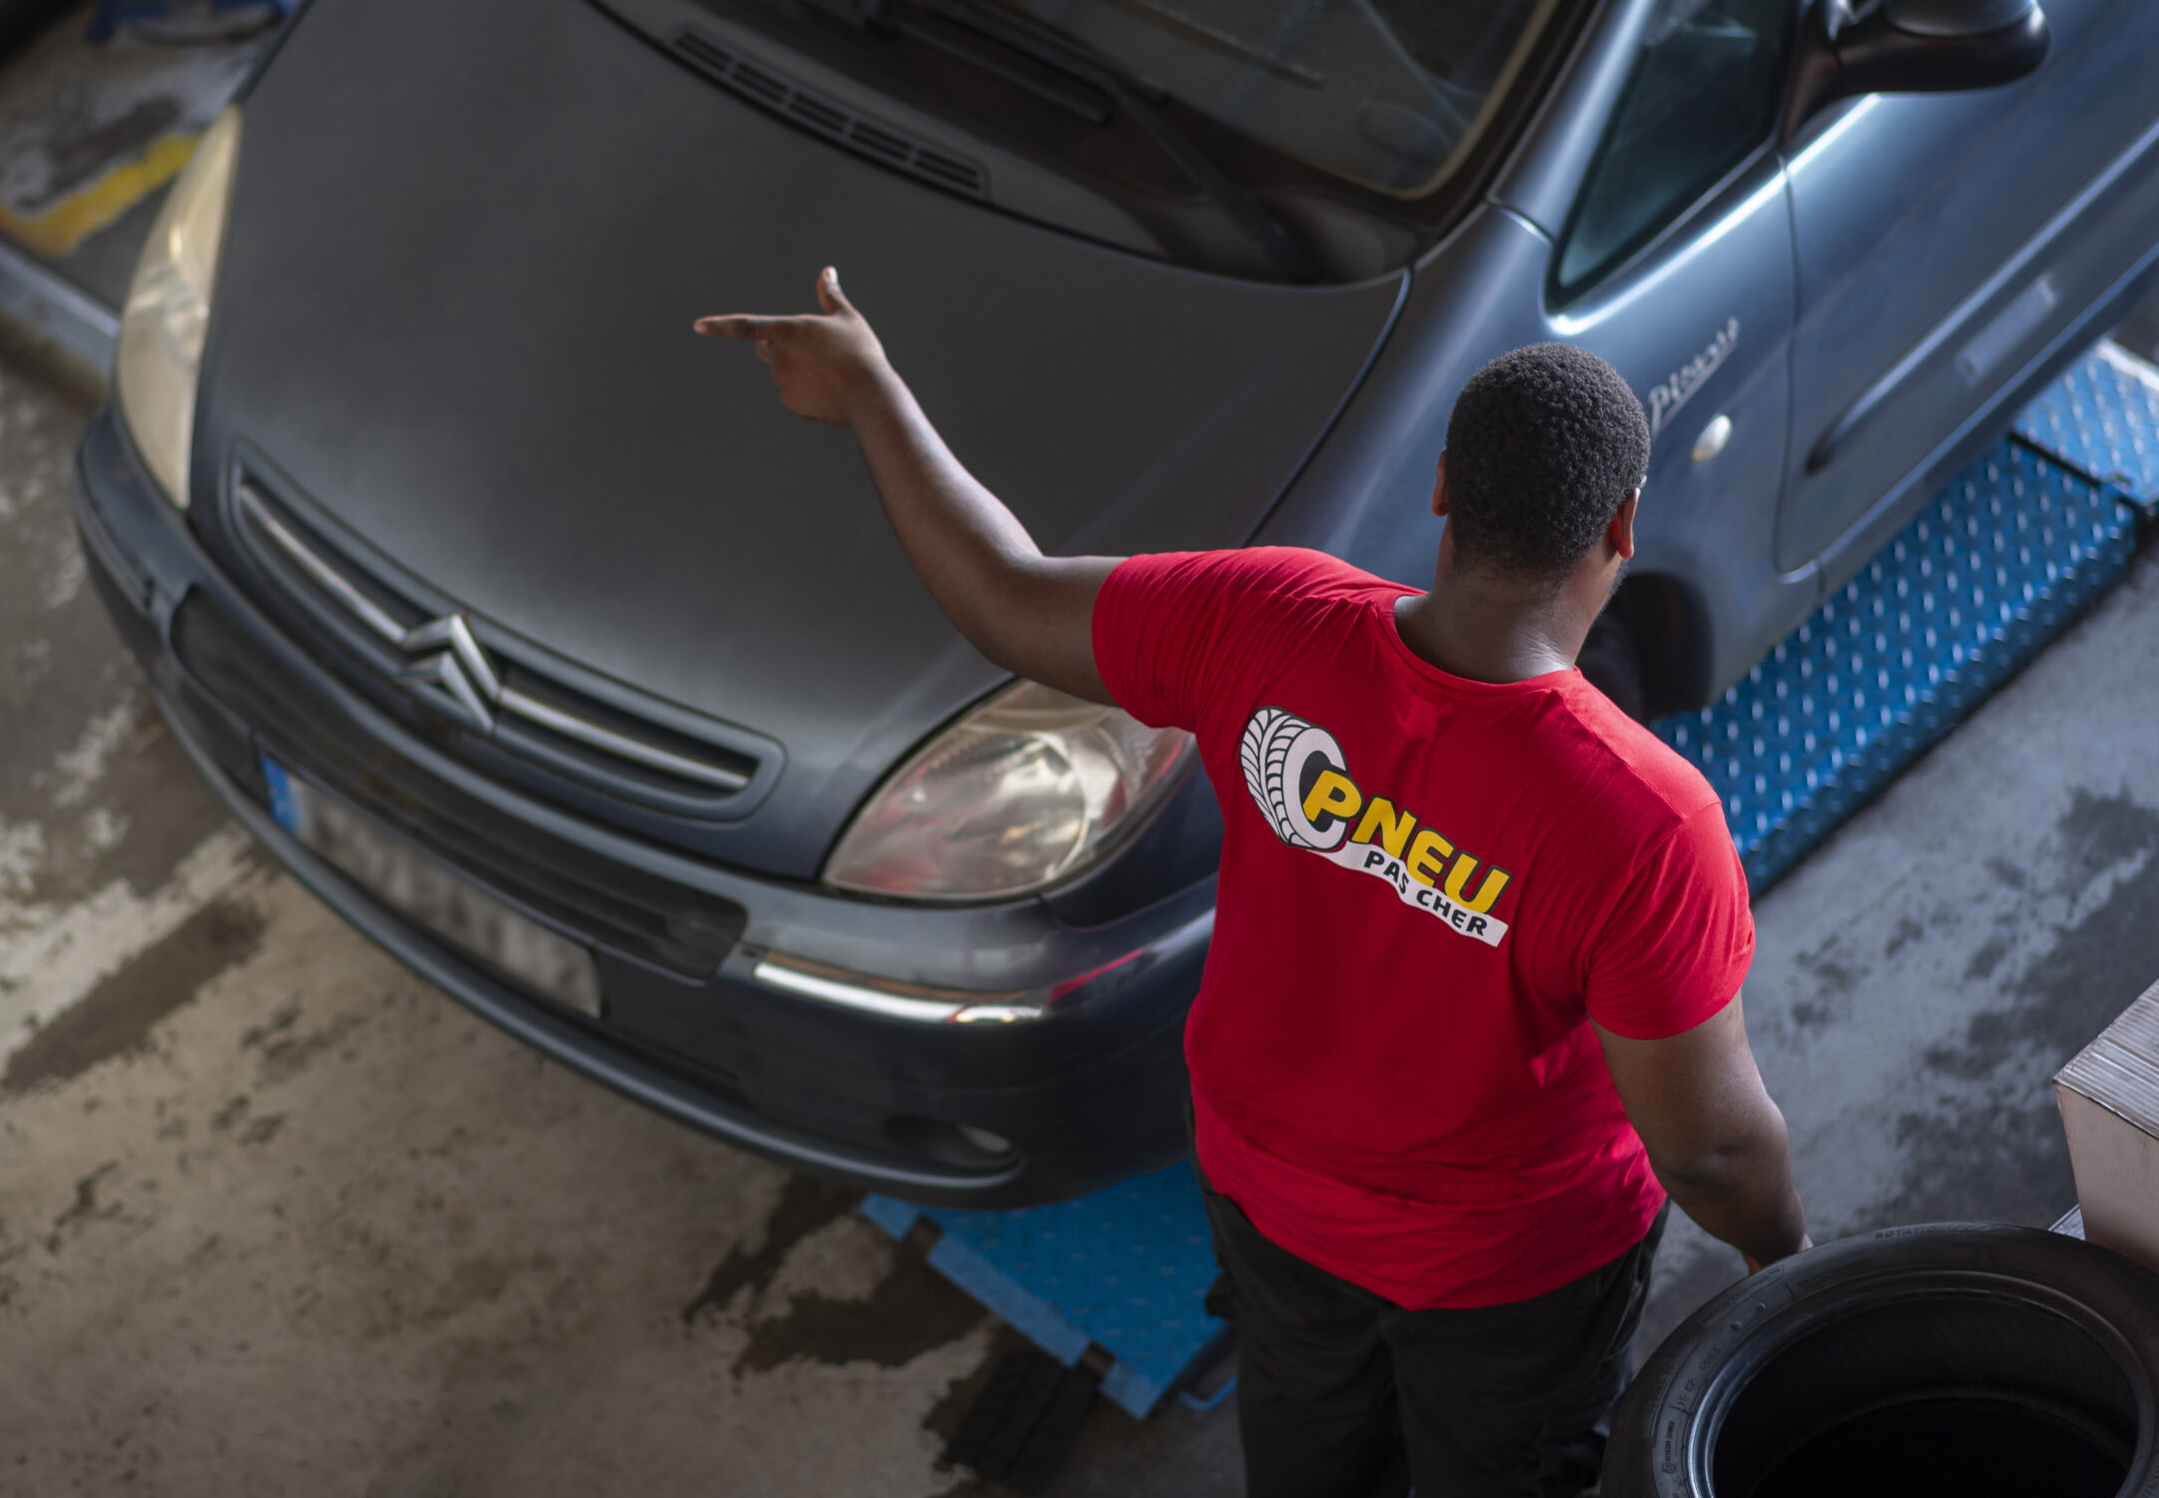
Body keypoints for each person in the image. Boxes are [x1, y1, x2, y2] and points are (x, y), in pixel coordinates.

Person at [696, 270, 1809, 1498]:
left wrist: (870, 392)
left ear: (1441, 492)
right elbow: (1705, 1147)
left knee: (1309, 1457)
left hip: (1269, 1199)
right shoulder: (1642, 821)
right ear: (1621, 528)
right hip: (1507, 1274)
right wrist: (1784, 1255)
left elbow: (1006, 595)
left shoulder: (1266, 619)